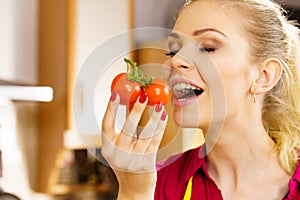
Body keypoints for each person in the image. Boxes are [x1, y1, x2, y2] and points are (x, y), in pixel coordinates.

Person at [101, 0, 300, 199]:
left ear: (264, 75)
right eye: (173, 50)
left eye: (207, 48)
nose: (175, 60)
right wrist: (134, 193)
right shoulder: (157, 184)